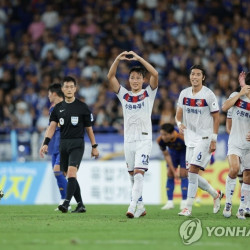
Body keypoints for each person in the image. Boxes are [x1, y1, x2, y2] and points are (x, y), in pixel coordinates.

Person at [107, 50, 158, 218]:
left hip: (144, 139)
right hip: (128, 141)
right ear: (128, 80)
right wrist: (117, 59)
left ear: (143, 80)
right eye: (132, 78)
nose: (135, 81)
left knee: (138, 174)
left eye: (138, 78)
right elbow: (110, 77)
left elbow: (155, 73)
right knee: (132, 175)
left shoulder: (148, 93)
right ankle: (141, 206)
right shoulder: (124, 95)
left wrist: (139, 59)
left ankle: (132, 206)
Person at [40, 76, 99, 213]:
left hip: (77, 144)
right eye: (66, 87)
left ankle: (66, 203)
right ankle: (80, 204)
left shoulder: (82, 107)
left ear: (75, 89)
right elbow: (51, 128)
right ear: (62, 89)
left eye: (71, 87)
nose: (69, 89)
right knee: (68, 175)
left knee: (72, 172)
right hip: (63, 144)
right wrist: (45, 143)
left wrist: (94, 146)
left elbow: (89, 129)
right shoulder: (57, 109)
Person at [175, 64, 223, 216]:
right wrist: (179, 124)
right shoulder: (184, 93)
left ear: (203, 77)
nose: (194, 77)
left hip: (205, 137)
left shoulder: (208, 95)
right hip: (190, 138)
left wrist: (214, 139)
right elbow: (178, 115)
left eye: (197, 74)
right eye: (192, 74)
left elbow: (217, 117)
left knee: (193, 170)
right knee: (191, 174)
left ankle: (187, 207)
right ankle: (215, 194)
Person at [222, 71, 250, 219]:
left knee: (248, 177)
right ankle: (228, 204)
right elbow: (224, 107)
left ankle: (243, 208)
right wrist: (240, 93)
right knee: (234, 169)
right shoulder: (236, 96)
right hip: (235, 142)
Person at [40, 83, 69, 211]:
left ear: (54, 94)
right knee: (58, 173)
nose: (48, 96)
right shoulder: (52, 109)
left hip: (65, 145)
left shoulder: (69, 106)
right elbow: (50, 127)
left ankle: (67, 200)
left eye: (49, 94)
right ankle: (66, 201)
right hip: (55, 145)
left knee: (58, 171)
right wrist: (44, 144)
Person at [156, 123, 188, 210]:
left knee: (183, 174)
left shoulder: (182, 137)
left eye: (165, 135)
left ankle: (184, 202)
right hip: (173, 153)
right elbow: (166, 155)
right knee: (169, 173)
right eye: (161, 134)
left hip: (184, 153)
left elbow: (191, 148)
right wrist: (174, 171)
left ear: (172, 133)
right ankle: (169, 202)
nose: (163, 137)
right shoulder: (160, 140)